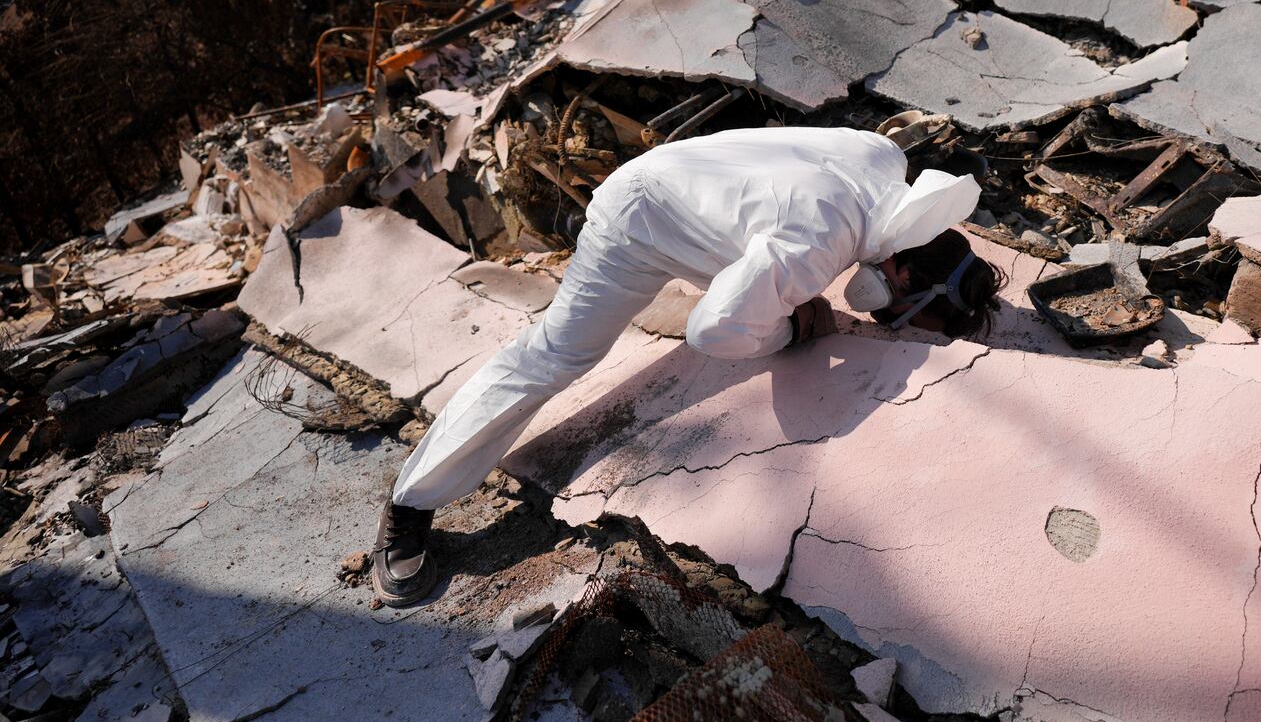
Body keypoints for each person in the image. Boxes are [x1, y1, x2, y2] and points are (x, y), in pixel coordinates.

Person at [372, 126, 1003, 606]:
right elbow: (714, 331)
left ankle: (751, 281)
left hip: (680, 178)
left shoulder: (882, 158)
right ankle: (410, 506)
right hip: (635, 225)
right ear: (898, 269)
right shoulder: (815, 248)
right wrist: (791, 328)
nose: (880, 315)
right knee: (558, 354)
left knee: (757, 277)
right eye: (896, 311)